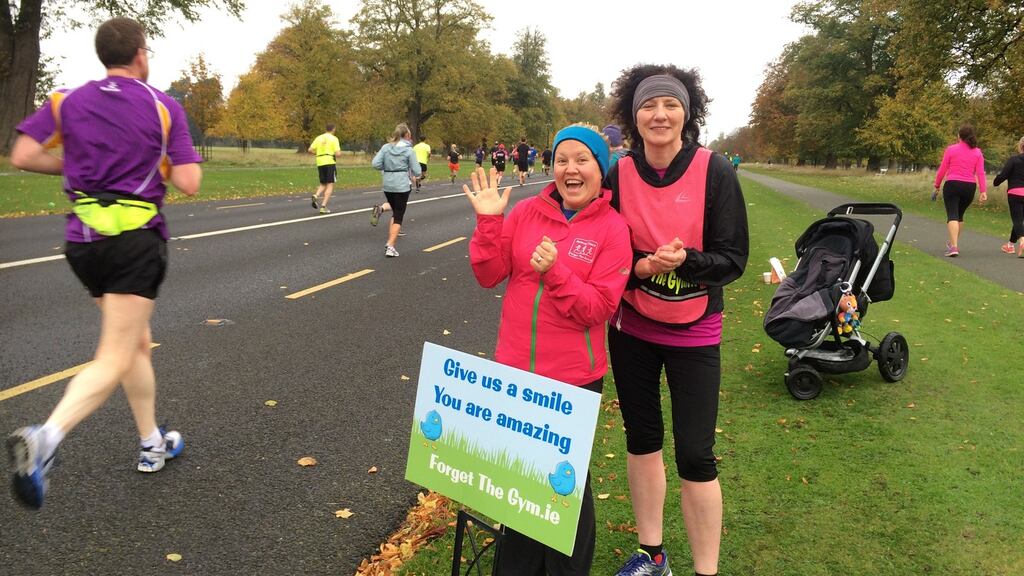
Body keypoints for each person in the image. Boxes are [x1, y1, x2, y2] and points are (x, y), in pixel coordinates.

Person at [6, 17, 202, 510]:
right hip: (135, 242)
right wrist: (162, 162)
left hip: (83, 243)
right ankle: (46, 437)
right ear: (140, 54)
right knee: (113, 355)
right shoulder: (163, 106)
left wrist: (72, 165)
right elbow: (190, 183)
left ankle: (152, 443)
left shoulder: (65, 99)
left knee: (134, 340)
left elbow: (23, 154)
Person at [464, 123, 632, 576]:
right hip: (516, 370)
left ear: (602, 168)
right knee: (518, 480)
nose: (570, 169)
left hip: (574, 379)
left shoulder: (614, 230)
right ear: (551, 166)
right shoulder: (524, 213)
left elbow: (597, 309)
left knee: (563, 485)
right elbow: (488, 273)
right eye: (562, 159)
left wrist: (556, 273)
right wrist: (488, 222)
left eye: (583, 160)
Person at [605, 64, 749, 576]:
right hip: (632, 329)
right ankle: (652, 555)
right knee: (642, 438)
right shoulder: (617, 172)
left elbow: (733, 259)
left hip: (695, 330)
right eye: (648, 105)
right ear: (633, 115)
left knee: (695, 455)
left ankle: (705, 571)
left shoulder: (715, 170)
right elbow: (598, 243)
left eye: (670, 104)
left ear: (687, 114)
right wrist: (641, 266)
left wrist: (686, 260)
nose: (659, 114)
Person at [933, 124, 987, 257]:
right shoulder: (977, 152)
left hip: (952, 184)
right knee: (960, 216)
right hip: (969, 187)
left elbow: (942, 169)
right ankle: (953, 244)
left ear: (959, 136)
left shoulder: (951, 149)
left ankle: (954, 247)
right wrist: (983, 191)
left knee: (952, 215)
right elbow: (980, 173)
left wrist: (937, 185)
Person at [370, 123, 421, 257]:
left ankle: (389, 240)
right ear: (407, 135)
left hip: (388, 183)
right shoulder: (409, 150)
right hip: (402, 184)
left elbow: (375, 163)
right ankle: (391, 246)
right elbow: (417, 170)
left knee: (394, 210)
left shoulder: (386, 147)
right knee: (399, 214)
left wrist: (386, 168)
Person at [993, 135, 1024, 257]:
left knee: (1017, 220)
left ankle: (1022, 241)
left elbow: (1003, 174)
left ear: (1020, 146)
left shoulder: (1014, 160)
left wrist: (996, 182)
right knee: (1019, 220)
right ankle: (1010, 245)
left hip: (1015, 193)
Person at [309, 123, 341, 214]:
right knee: (330, 184)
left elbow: (310, 150)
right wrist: (334, 154)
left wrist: (318, 154)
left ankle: (316, 195)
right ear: (333, 129)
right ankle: (323, 206)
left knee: (323, 183)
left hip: (320, 162)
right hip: (330, 162)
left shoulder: (318, 138)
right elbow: (338, 154)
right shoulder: (334, 139)